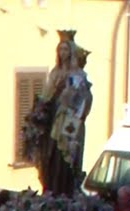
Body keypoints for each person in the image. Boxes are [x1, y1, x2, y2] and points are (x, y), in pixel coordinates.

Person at [35, 32, 93, 196]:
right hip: (53, 119)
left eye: (66, 50)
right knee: (49, 157)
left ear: (72, 52)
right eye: (60, 50)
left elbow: (83, 99)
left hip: (68, 121)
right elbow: (46, 96)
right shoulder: (54, 73)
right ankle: (50, 187)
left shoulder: (78, 75)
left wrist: (70, 97)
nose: (63, 53)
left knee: (65, 159)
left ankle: (64, 189)